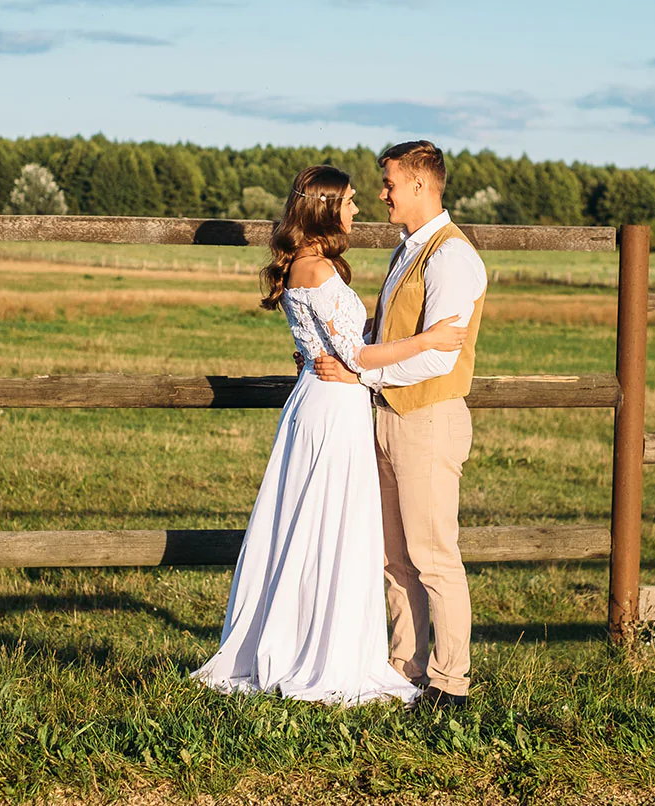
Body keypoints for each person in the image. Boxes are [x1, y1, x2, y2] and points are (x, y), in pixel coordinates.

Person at [191, 164, 468, 706]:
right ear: (323, 206)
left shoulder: (307, 264)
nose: (359, 207)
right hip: (333, 408)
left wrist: (345, 353)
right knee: (327, 526)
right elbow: (359, 356)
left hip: (325, 401)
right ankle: (318, 652)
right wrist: (426, 338)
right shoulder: (316, 269)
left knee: (320, 527)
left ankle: (308, 642)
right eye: (349, 201)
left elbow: (340, 342)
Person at [313, 140, 487, 709]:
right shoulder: (408, 251)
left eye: (388, 184)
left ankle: (450, 682)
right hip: (389, 415)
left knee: (434, 553)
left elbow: (438, 356)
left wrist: (358, 374)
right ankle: (404, 669)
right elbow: (390, 337)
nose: (382, 194)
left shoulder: (451, 257)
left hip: (428, 418)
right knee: (395, 558)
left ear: (419, 185)